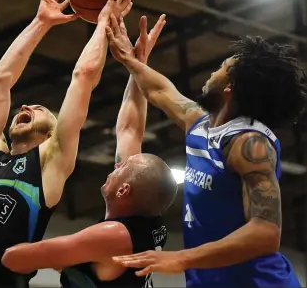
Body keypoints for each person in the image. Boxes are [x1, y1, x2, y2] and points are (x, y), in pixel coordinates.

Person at [0, 0, 133, 288]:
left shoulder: (49, 163)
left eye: (40, 108)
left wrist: (102, 23)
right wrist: (40, 22)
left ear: (51, 133)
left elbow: (83, 78)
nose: (26, 105)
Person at [106, 15, 307, 287]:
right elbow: (158, 89)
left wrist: (182, 258)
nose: (212, 72)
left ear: (229, 88)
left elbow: (266, 233)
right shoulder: (200, 124)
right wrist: (131, 60)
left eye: (221, 67)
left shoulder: (249, 143)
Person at [1, 14, 178, 288]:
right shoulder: (146, 219)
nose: (116, 165)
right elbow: (130, 130)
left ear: (124, 191)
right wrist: (138, 66)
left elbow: (15, 258)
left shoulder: (113, 235)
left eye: (122, 169)